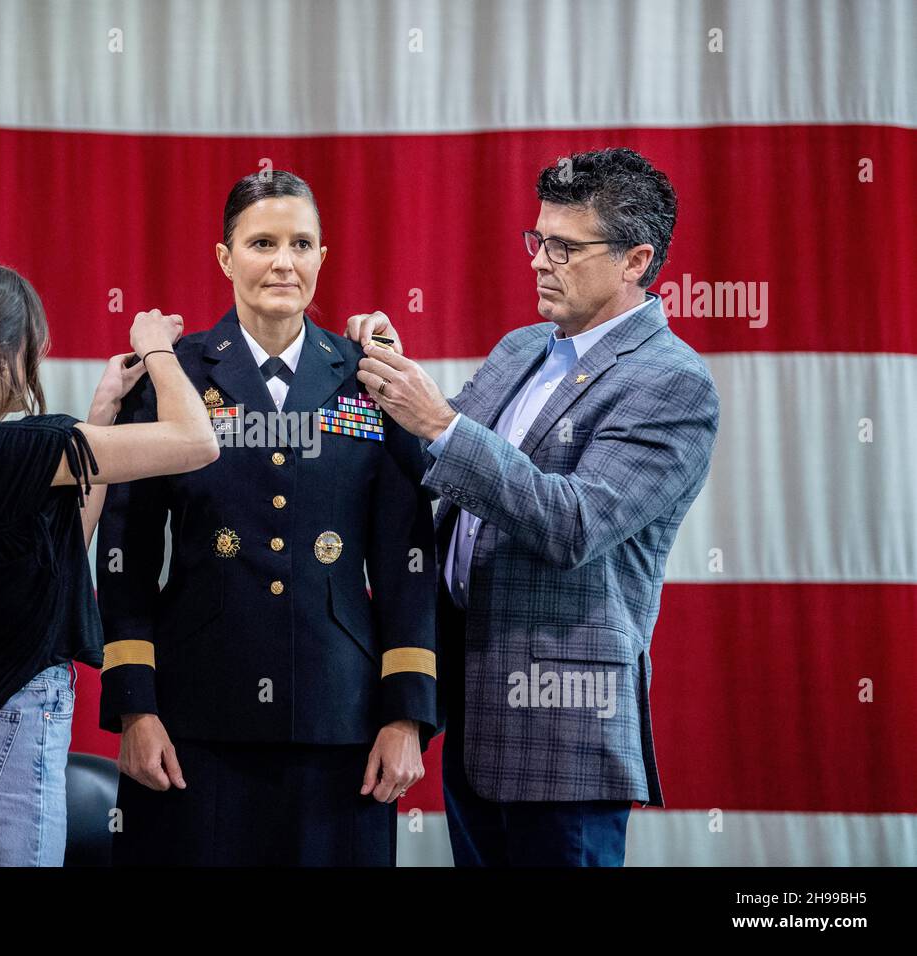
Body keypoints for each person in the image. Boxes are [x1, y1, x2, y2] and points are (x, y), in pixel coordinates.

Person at [346, 147, 720, 866]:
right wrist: (391, 378)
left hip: (563, 726)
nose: (539, 262)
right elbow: (440, 468)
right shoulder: (523, 348)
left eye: (565, 247)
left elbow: (574, 523)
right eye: (537, 240)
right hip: (474, 712)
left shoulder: (673, 383)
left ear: (635, 260)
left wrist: (442, 423)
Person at [96, 171, 438, 866]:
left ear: (322, 256)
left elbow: (407, 560)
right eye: (262, 242)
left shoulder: (370, 376)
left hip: (340, 721)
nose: (284, 261)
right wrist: (135, 706)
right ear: (225, 258)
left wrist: (406, 715)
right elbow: (124, 554)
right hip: (194, 722)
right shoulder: (173, 375)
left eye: (301, 243)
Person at [0, 261, 218, 866]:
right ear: (4, 354)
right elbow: (197, 441)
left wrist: (101, 415)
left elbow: (59, 551)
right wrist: (158, 350)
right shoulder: (20, 447)